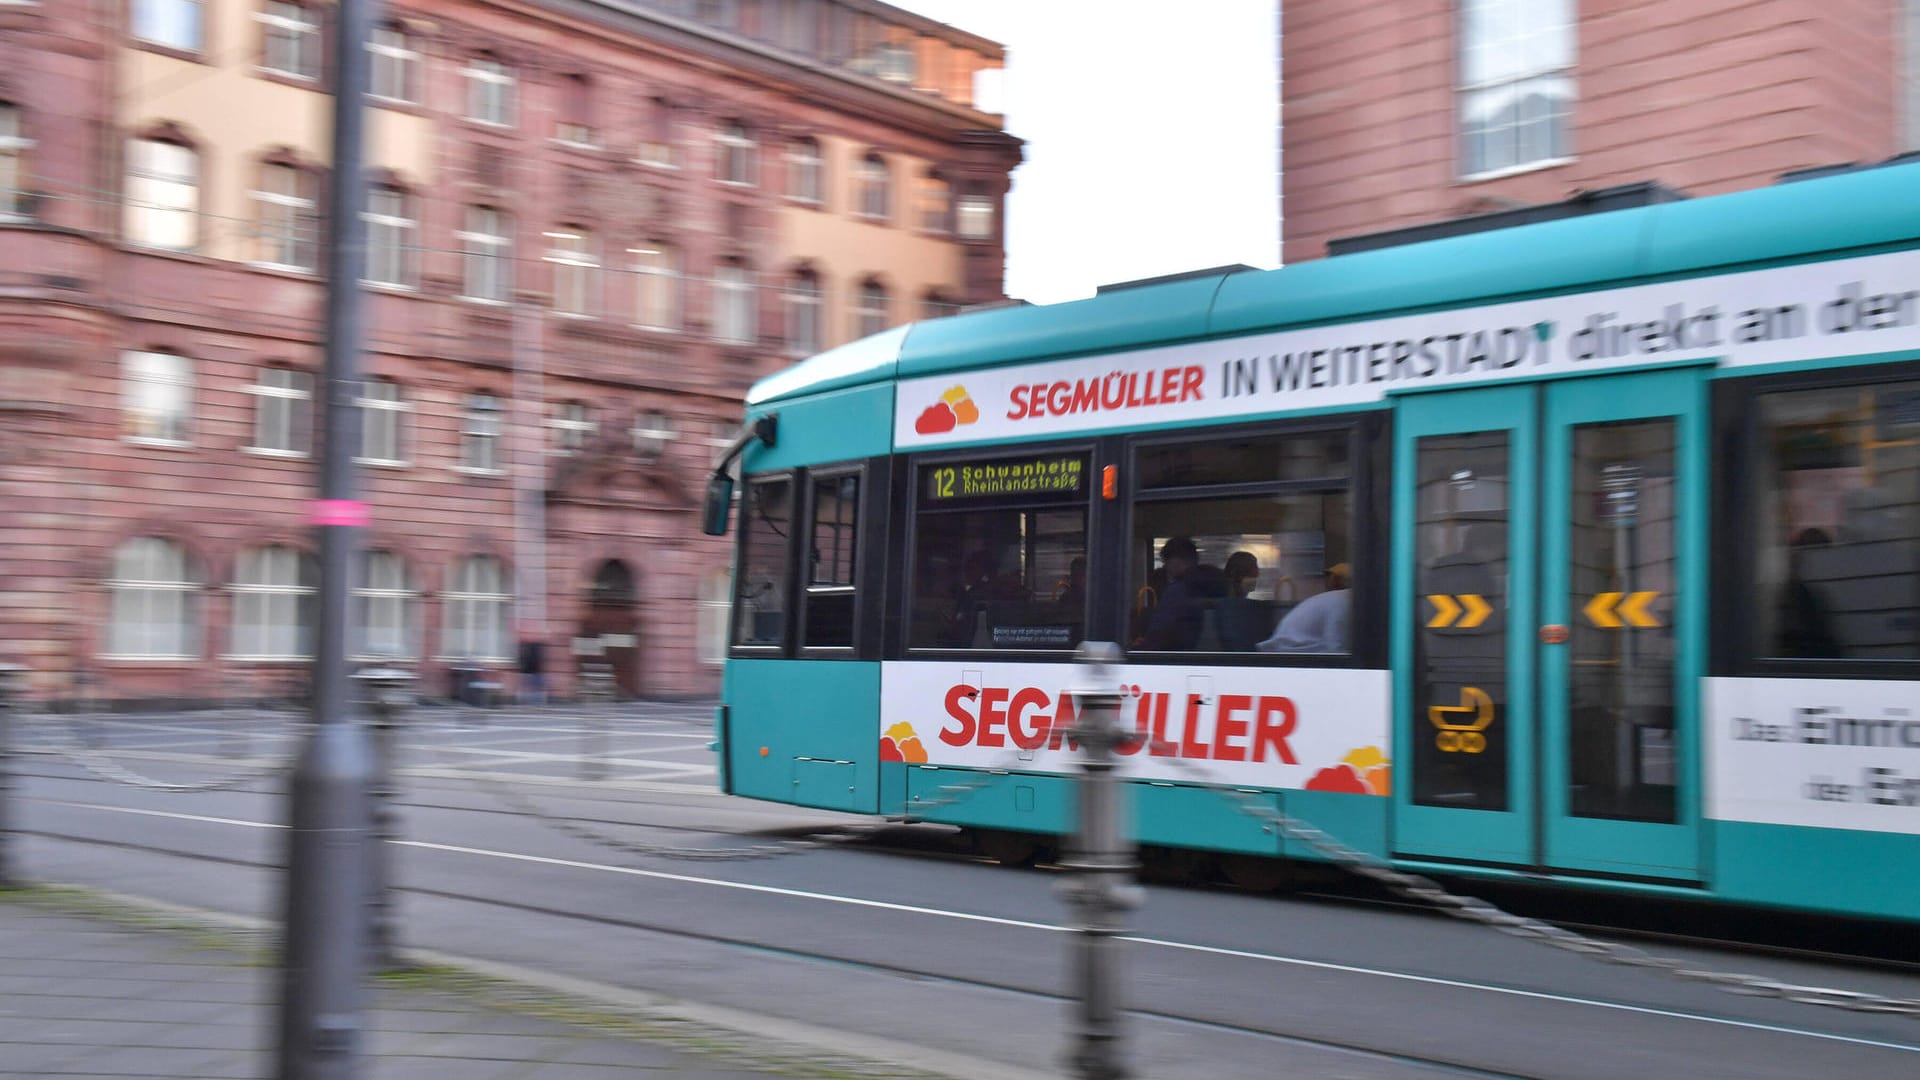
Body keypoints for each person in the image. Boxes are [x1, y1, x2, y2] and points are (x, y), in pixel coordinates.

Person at [1258, 562, 1350, 653]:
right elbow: (1336, 646)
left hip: (1294, 651)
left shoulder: (1338, 599)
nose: (1328, 581)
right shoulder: (1342, 602)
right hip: (1293, 654)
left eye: (1334, 577)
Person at [1136, 536, 1209, 650]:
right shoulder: (1208, 587)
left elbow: (1159, 633)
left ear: (1177, 561)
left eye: (1166, 561)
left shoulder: (1177, 591)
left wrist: (1140, 647)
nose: (1165, 567)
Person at [1215, 551, 1268, 651]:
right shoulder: (1230, 608)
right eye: (1252, 576)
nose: (1258, 575)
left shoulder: (1243, 606)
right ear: (1239, 577)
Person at [517, 636, 547, 704]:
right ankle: (533, 702)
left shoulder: (526, 647)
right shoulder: (531, 647)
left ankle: (527, 701)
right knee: (536, 688)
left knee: (532, 688)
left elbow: (522, 659)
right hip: (532, 671)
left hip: (531, 671)